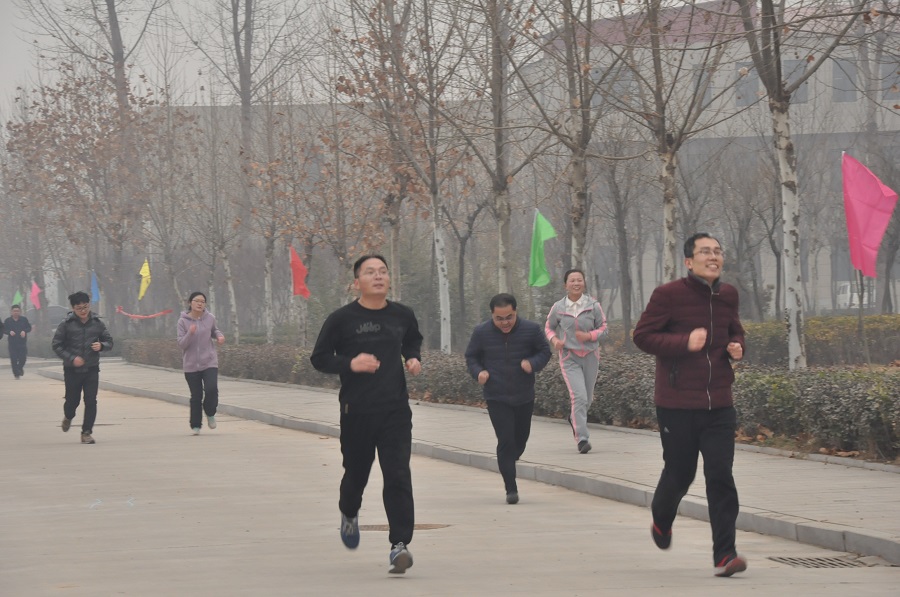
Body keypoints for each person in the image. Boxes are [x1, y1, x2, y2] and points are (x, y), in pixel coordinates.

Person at [632, 232, 747, 578]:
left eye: (717, 251)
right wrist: (685, 342)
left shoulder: (728, 295)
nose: (713, 257)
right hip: (677, 403)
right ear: (688, 261)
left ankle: (725, 555)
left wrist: (738, 346)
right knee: (680, 473)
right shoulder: (668, 295)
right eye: (705, 252)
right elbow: (642, 336)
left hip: (719, 403)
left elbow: (735, 331)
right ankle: (661, 519)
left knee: (720, 476)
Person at [310, 255, 423, 575]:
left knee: (398, 475)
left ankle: (399, 544)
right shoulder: (341, 319)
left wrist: (412, 358)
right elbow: (319, 358)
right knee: (356, 475)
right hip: (357, 411)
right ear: (356, 282)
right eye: (370, 272)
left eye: (383, 271)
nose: (378, 276)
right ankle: (349, 513)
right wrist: (350, 363)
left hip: (395, 411)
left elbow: (412, 339)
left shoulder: (402, 314)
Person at [465, 293, 551, 504]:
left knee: (520, 440)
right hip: (496, 395)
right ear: (492, 315)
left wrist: (532, 364)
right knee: (505, 440)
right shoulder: (481, 332)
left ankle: (509, 460)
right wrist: (479, 372)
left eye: (509, 317)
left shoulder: (531, 329)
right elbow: (471, 356)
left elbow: (544, 351)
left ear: (515, 312)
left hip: (524, 395)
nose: (505, 323)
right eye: (499, 319)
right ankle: (511, 488)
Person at [544, 269, 607, 454]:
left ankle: (574, 418)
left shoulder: (593, 305)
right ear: (566, 285)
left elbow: (604, 328)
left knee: (587, 398)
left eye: (579, 280)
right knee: (579, 397)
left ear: (584, 283)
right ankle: (582, 438)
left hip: (590, 355)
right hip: (569, 357)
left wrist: (589, 336)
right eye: (572, 280)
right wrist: (555, 340)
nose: (576, 283)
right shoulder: (558, 307)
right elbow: (548, 327)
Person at [52, 291, 114, 445]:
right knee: (72, 401)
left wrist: (101, 346)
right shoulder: (66, 324)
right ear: (73, 308)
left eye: (85, 307)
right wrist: (72, 358)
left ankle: (86, 432)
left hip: (91, 368)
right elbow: (56, 345)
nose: (83, 310)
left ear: (89, 305)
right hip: (72, 370)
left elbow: (109, 342)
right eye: (79, 308)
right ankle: (68, 416)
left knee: (91, 401)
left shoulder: (97, 323)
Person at [176, 291, 225, 435]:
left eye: (202, 302)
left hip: (209, 361)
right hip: (191, 365)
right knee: (196, 396)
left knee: (211, 389)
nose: (200, 304)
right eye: (197, 301)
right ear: (190, 303)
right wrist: (190, 333)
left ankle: (210, 412)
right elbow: (181, 344)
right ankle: (196, 425)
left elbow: (214, 330)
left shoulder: (210, 318)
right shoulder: (182, 321)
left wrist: (219, 336)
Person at [4, 304, 32, 379]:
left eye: (17, 311)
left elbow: (29, 328)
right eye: (14, 311)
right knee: (13, 359)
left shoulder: (24, 320)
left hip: (22, 343)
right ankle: (16, 374)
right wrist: (9, 332)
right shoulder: (8, 321)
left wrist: (24, 331)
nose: (16, 312)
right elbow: (3, 329)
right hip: (12, 344)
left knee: (23, 358)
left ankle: (19, 368)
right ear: (11, 312)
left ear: (20, 312)